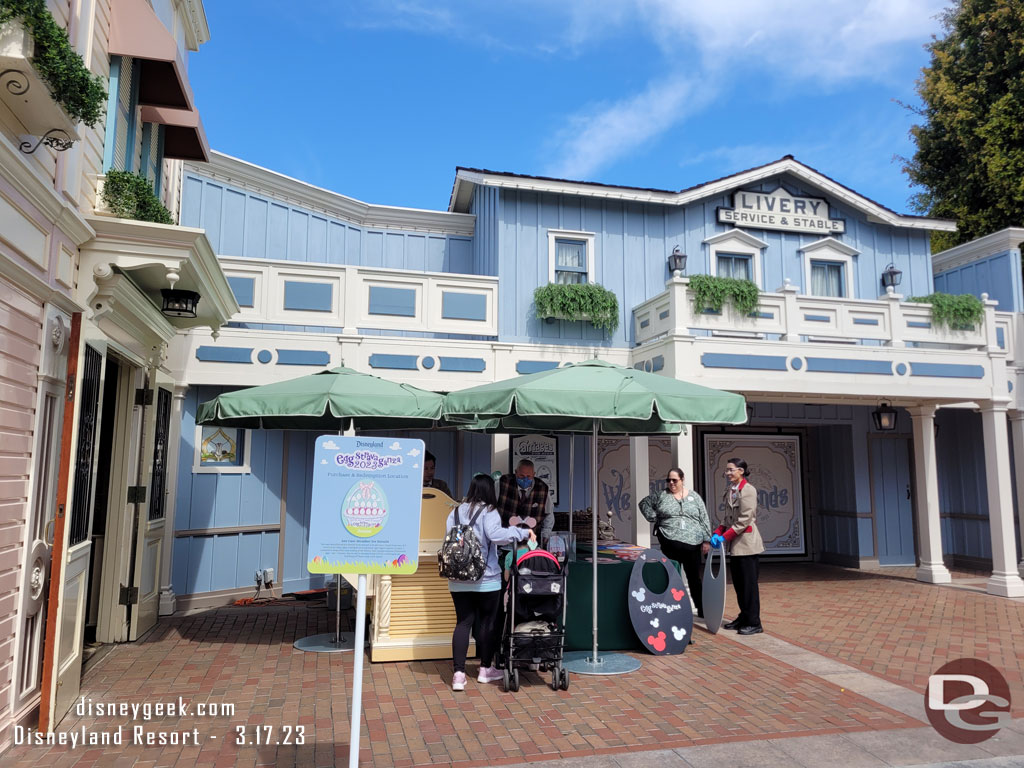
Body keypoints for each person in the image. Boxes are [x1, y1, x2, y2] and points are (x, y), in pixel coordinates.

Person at [446, 473, 535, 691]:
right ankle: (485, 669)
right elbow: (496, 535)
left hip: (458, 578)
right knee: (488, 623)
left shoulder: (455, 511)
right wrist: (522, 533)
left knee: (463, 623)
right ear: (489, 491)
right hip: (486, 578)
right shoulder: (489, 511)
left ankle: (458, 675)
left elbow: (450, 539)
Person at [638, 468, 711, 618]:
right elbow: (643, 503)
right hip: (670, 542)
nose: (671, 483)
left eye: (674, 480)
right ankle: (671, 608)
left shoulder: (694, 497)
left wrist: (706, 540)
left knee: (694, 577)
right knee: (671, 576)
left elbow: (703, 518)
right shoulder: (661, 495)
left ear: (682, 480)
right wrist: (653, 517)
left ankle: (701, 609)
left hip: (693, 544)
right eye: (668, 480)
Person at [711, 457, 765, 636]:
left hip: (747, 545)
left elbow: (744, 520)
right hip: (735, 545)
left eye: (731, 470)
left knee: (749, 585)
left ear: (741, 471)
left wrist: (724, 537)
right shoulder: (731, 490)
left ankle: (754, 622)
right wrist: (717, 532)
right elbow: (728, 518)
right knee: (740, 585)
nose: (727, 473)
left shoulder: (748, 490)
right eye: (727, 470)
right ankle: (744, 616)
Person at [496, 459, 554, 541]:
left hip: (531, 541)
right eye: (521, 476)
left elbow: (549, 514)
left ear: (534, 475)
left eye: (529, 476)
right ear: (516, 472)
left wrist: (546, 534)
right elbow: (490, 508)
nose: (525, 479)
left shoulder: (543, 489)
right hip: (505, 539)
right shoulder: (502, 483)